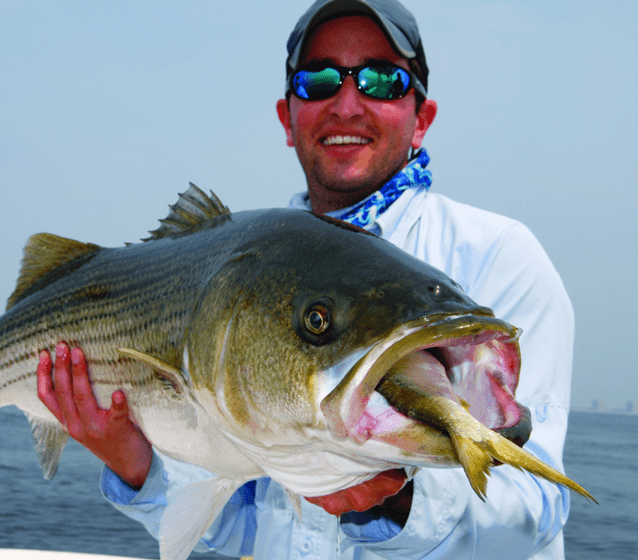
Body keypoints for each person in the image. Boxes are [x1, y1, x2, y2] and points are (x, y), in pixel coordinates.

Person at [37, 0, 575, 558]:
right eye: (317, 80)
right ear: (287, 118)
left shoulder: (498, 256)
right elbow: (252, 529)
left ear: (421, 117)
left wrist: (391, 502)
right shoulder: (249, 273)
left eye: (382, 80)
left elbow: (534, 508)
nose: (346, 103)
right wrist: (135, 466)